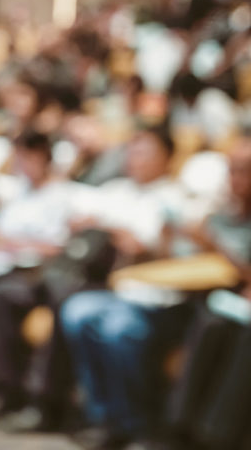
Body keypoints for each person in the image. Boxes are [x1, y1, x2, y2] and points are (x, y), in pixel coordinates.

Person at [59, 126, 209, 449]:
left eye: (144, 152)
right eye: (132, 151)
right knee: (76, 312)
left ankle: (137, 423)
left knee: (117, 329)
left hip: (164, 300)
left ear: (167, 158)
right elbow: (76, 214)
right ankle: (104, 416)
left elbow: (171, 252)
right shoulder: (117, 189)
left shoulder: (178, 198)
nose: (135, 159)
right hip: (120, 292)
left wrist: (134, 238)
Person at [0, 130, 91, 431]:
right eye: (19, 157)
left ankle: (43, 400)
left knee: (25, 296)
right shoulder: (19, 191)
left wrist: (1, 238)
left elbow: (56, 247)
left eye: (30, 157)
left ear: (45, 158)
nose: (24, 164)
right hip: (9, 270)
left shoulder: (63, 195)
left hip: (49, 273)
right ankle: (3, 387)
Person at [163, 135, 251, 450]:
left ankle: (213, 436)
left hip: (240, 305)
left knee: (233, 330)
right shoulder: (220, 214)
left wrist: (215, 245)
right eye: (231, 170)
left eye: (245, 171)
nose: (236, 179)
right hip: (216, 299)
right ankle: (182, 428)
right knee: (209, 322)